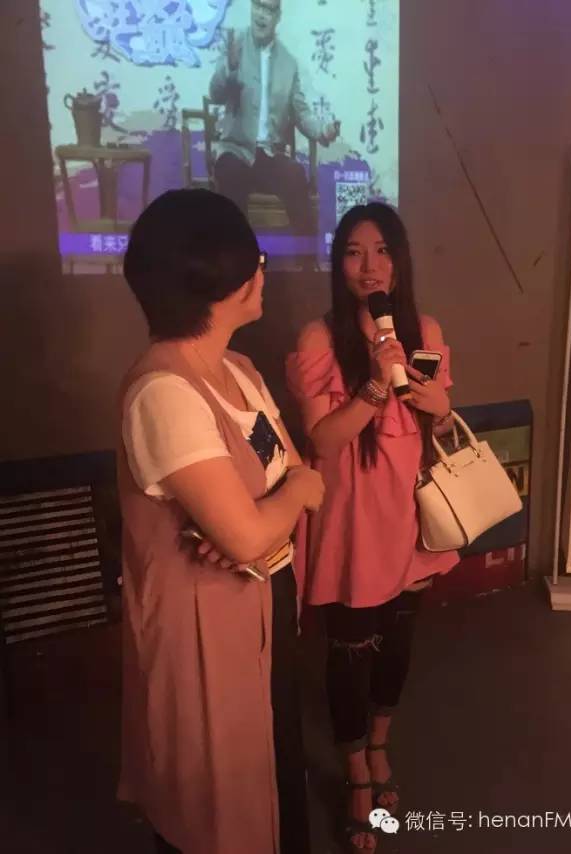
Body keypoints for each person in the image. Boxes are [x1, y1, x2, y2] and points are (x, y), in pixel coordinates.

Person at [117, 188, 323, 854]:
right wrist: (261, 521)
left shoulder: (240, 369)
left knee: (271, 761)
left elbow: (301, 478)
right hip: (202, 628)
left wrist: (261, 521)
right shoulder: (165, 393)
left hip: (267, 598)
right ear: (221, 282)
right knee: (212, 796)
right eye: (256, 262)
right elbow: (256, 525)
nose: (264, 273)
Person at [286, 203, 459, 852]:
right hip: (352, 523)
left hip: (408, 519)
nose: (369, 266)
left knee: (398, 644)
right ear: (339, 264)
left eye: (382, 250)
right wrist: (373, 389)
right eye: (354, 252)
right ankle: (356, 772)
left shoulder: (425, 331)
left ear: (400, 260)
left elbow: (435, 422)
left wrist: (439, 404)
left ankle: (380, 746)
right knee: (350, 654)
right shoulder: (320, 339)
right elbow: (323, 440)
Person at [209, 0, 339, 235]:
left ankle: (307, 254)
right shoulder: (235, 46)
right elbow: (216, 95)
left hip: (269, 156)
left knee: (295, 175)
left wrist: (322, 130)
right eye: (258, 5)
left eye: (268, 9)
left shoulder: (288, 63)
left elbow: (301, 112)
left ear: (278, 16)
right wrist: (229, 66)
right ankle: (238, 253)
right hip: (236, 151)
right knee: (231, 175)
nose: (261, 14)